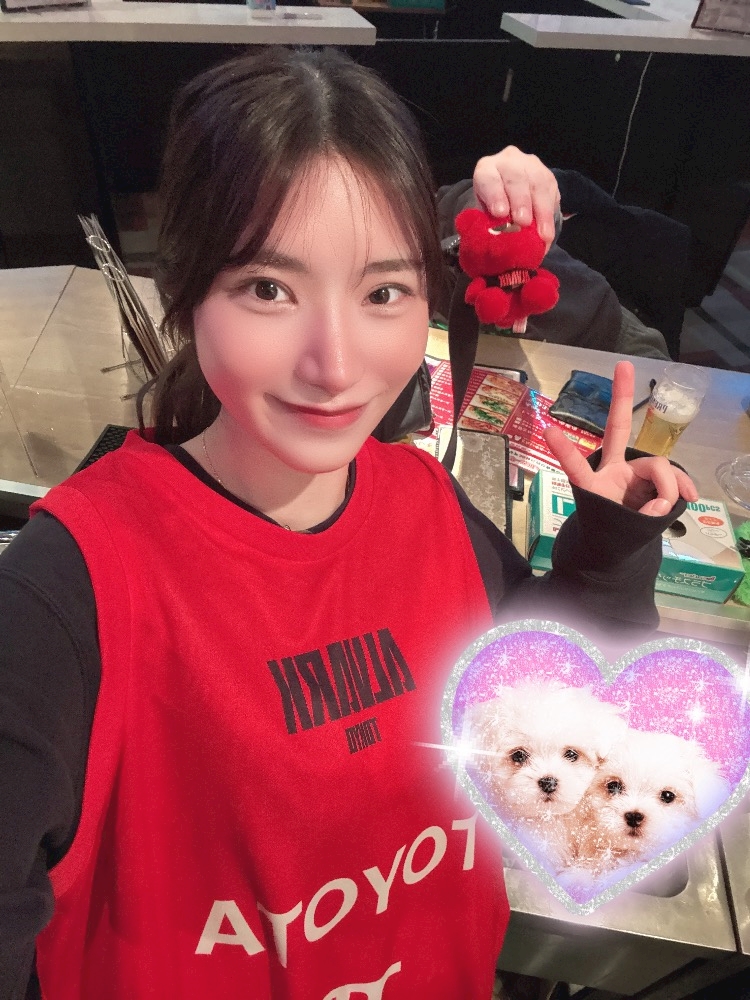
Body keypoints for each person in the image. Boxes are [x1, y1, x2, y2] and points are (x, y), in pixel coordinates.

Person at [0, 47, 697, 1000]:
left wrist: (609, 550)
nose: (334, 365)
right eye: (269, 289)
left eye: (382, 293)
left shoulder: (425, 503)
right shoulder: (66, 596)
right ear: (187, 292)